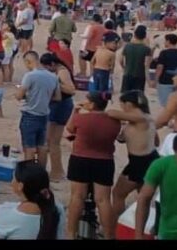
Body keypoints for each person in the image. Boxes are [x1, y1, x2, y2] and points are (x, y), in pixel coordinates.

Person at [64, 91, 119, 240]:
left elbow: (70, 128)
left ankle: (71, 233)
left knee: (77, 197)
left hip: (80, 159)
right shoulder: (114, 121)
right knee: (103, 200)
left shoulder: (81, 118)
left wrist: (75, 111)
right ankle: (108, 235)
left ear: (92, 104)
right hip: (104, 161)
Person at [108, 90, 159, 221]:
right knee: (143, 198)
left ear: (129, 104)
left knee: (118, 194)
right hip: (151, 158)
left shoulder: (139, 118)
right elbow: (156, 141)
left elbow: (111, 113)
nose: (122, 108)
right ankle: (138, 225)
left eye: (122, 104)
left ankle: (119, 223)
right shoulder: (147, 117)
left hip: (139, 162)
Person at [0, 161, 66, 240]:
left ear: (20, 186)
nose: (11, 182)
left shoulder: (8, 218)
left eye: (13, 178)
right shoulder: (57, 209)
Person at [9, 51, 60, 166]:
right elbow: (57, 97)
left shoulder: (30, 76)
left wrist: (25, 94)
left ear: (28, 62)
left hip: (30, 114)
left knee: (29, 148)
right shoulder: (53, 76)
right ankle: (41, 171)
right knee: (42, 146)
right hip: (44, 115)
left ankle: (29, 173)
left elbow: (19, 96)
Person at [133, 135, 177, 240]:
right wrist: (138, 235)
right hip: (169, 233)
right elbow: (144, 199)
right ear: (174, 151)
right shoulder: (160, 166)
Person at [41, 53, 78, 182]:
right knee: (50, 141)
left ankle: (57, 172)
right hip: (56, 105)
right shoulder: (57, 71)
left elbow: (71, 90)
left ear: (52, 64)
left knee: (52, 142)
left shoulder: (62, 72)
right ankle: (57, 171)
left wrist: (53, 82)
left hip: (61, 105)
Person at [120, 25, 152, 94]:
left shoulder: (127, 46)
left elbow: (121, 60)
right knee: (137, 96)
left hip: (127, 74)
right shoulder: (147, 49)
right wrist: (149, 80)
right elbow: (146, 65)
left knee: (125, 96)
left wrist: (124, 68)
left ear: (134, 35)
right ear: (145, 36)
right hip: (140, 75)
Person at [154, 34, 177, 109]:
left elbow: (160, 67)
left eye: (165, 41)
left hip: (165, 81)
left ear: (168, 41)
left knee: (166, 104)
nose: (164, 42)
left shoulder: (164, 53)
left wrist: (156, 80)